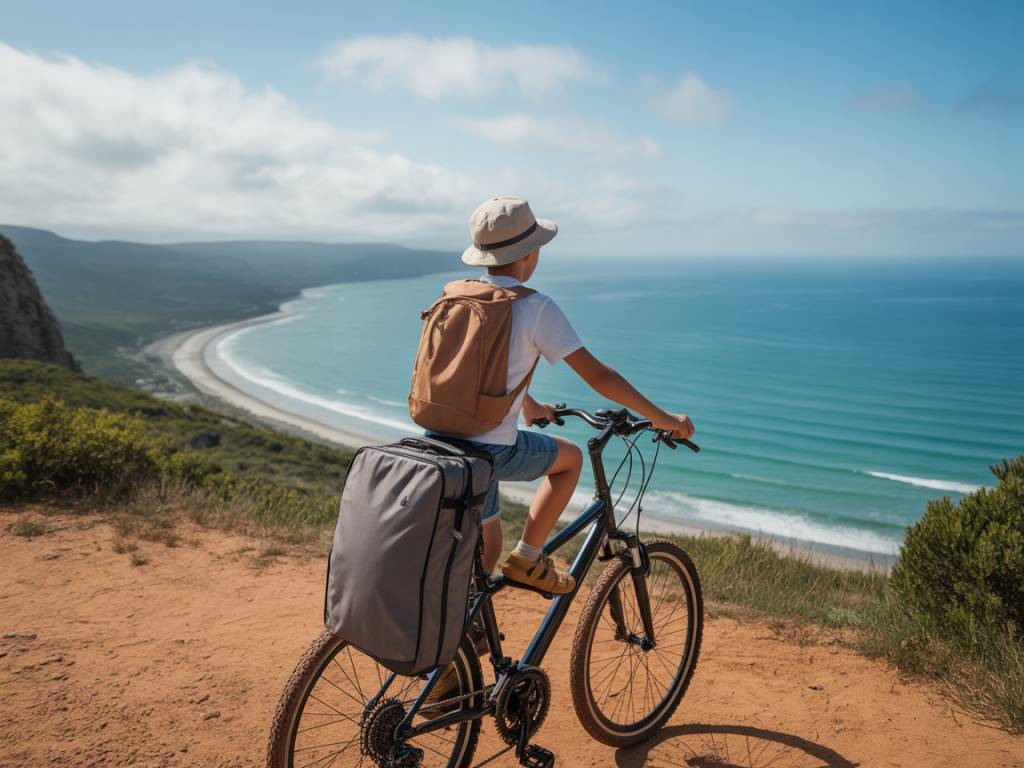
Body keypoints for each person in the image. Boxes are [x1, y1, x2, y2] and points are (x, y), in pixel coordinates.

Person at [430, 195, 696, 596]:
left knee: (485, 554)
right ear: (530, 254)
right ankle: (529, 558)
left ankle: (460, 645)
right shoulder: (535, 307)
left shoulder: (458, 297)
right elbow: (600, 376)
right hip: (489, 450)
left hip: (441, 440)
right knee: (569, 459)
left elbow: (482, 370)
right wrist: (665, 419)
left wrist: (529, 405)